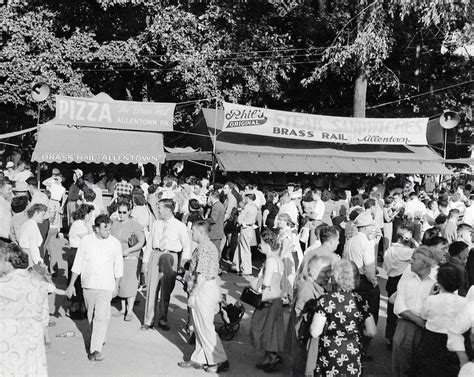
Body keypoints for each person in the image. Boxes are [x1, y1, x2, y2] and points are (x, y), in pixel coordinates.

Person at [66, 214, 123, 361]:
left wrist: (116, 285)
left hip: (106, 285)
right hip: (88, 285)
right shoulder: (86, 241)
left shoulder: (115, 243)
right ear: (96, 229)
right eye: (105, 229)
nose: (108, 232)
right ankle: (97, 337)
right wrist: (71, 284)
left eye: (110, 229)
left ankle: (95, 350)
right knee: (91, 316)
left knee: (102, 317)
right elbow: (77, 264)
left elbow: (118, 265)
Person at [310, 259, 377, 377]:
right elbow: (372, 331)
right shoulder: (361, 301)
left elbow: (315, 332)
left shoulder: (326, 300)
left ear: (335, 277)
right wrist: (359, 332)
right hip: (353, 354)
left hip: (330, 355)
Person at [178, 220, 229, 373]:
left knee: (205, 327)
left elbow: (202, 276)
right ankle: (199, 358)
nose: (191, 233)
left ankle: (219, 359)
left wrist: (193, 294)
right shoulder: (205, 247)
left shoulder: (205, 248)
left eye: (193, 230)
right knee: (200, 326)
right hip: (204, 288)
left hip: (203, 289)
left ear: (201, 232)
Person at [141, 198, 191, 331]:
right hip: (156, 255)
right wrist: (145, 262)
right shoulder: (156, 224)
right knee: (151, 289)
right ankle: (148, 320)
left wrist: (183, 264)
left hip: (170, 257)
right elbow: (150, 244)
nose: (158, 210)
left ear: (168, 210)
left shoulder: (180, 226)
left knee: (166, 290)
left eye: (160, 208)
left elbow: (187, 246)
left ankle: (163, 318)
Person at [0, 244, 49, 376]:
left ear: (7, 260)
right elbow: (44, 315)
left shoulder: (3, 285)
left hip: (8, 341)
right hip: (33, 340)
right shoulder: (37, 283)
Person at [392, 246, 436, 377]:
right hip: (406, 324)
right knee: (401, 365)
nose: (410, 261)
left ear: (425, 263)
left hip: (428, 327)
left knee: (422, 366)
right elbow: (399, 306)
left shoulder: (436, 282)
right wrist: (418, 321)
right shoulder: (407, 277)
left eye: (414, 259)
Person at [414, 263, 465, 377]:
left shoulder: (431, 300)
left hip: (432, 340)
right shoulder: (464, 302)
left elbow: (423, 316)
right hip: (454, 341)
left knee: (429, 370)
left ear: (439, 281)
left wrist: (430, 294)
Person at [343, 212, 380, 357]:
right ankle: (362, 348)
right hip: (363, 281)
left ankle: (351, 344)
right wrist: (374, 282)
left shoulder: (351, 240)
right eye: (371, 225)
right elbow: (370, 268)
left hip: (350, 279)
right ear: (366, 227)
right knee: (369, 314)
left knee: (353, 314)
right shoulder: (366, 243)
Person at [289, 255, 332, 377]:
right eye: (325, 272)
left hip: (308, 338)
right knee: (301, 365)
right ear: (313, 272)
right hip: (304, 338)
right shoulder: (307, 288)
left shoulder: (316, 286)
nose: (328, 275)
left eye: (329, 271)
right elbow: (301, 316)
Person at [250, 230, 285, 373]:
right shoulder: (278, 259)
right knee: (271, 329)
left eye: (262, 242)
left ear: (268, 243)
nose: (259, 245)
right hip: (275, 298)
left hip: (267, 298)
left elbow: (266, 282)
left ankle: (272, 358)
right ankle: (269, 358)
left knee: (261, 327)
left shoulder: (270, 260)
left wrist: (254, 284)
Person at [383, 226, 416, 348]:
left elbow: (386, 267)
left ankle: (389, 337)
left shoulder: (389, 249)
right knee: (402, 310)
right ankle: (399, 338)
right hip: (401, 280)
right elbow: (422, 251)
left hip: (391, 279)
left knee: (391, 310)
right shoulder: (407, 251)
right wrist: (413, 241)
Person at [111, 202, 145, 321]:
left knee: (130, 284)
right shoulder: (115, 224)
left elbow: (141, 242)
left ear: (129, 212)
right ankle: (123, 309)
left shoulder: (135, 225)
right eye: (119, 212)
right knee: (121, 283)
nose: (121, 214)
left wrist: (129, 250)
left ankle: (129, 311)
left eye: (124, 212)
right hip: (118, 258)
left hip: (131, 258)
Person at [68, 204, 94, 319]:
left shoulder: (80, 223)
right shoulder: (79, 224)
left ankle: (80, 307)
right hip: (76, 253)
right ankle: (74, 308)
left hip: (79, 252)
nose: (91, 217)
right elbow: (88, 240)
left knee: (80, 282)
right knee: (77, 281)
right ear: (86, 214)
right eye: (90, 214)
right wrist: (89, 227)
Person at [233, 192, 258, 277]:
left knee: (244, 249)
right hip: (250, 228)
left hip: (245, 228)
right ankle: (236, 266)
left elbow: (240, 219)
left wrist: (239, 215)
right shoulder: (255, 207)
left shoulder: (246, 207)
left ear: (248, 198)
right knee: (241, 247)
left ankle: (246, 269)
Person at [277, 213, 297, 304]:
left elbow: (284, 249)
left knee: (285, 277)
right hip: (282, 255)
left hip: (284, 257)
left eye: (281, 220)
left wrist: (278, 261)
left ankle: (285, 297)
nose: (278, 221)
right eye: (278, 219)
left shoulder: (286, 233)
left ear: (286, 222)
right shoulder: (282, 231)